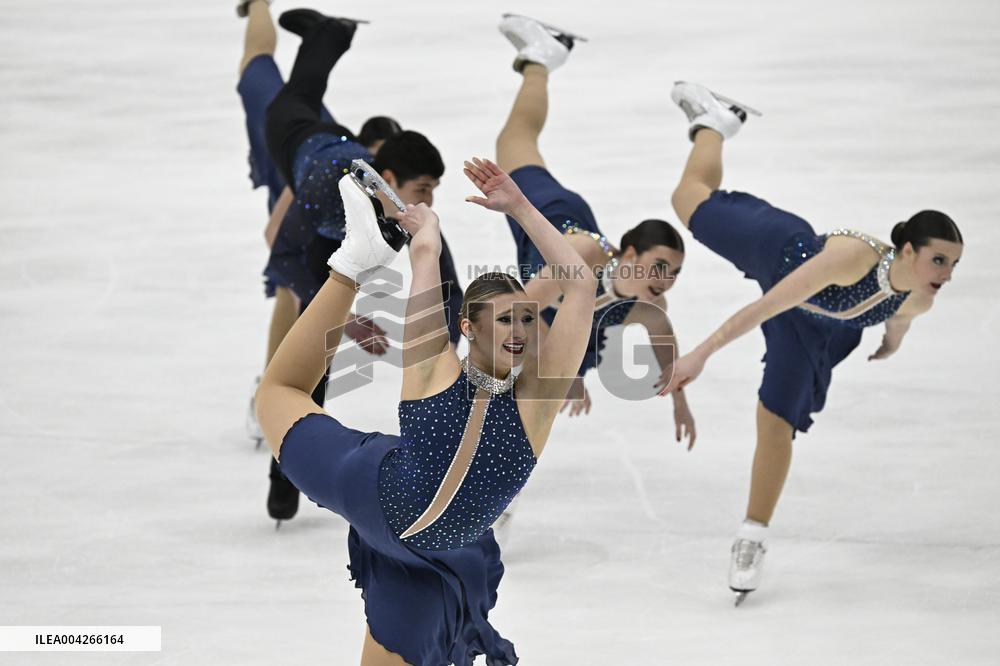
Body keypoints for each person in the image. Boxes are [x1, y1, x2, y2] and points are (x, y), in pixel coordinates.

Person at [256, 158, 597, 664]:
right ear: (468, 327)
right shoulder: (433, 367)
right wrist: (427, 235)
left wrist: (520, 206)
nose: (521, 330)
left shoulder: (536, 402)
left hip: (435, 559)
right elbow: (425, 258)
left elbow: (582, 284)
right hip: (370, 488)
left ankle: (354, 261)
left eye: (527, 318)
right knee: (278, 392)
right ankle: (351, 265)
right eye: (505, 319)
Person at [659, 80, 964, 603]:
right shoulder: (852, 258)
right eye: (939, 260)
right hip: (781, 258)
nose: (947, 273)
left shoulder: (920, 298)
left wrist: (890, 344)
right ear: (909, 249)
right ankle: (715, 122)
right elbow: (764, 307)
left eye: (954, 265)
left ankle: (751, 538)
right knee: (687, 202)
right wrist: (700, 354)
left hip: (824, 330)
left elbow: (899, 320)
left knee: (775, 420)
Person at [245, 6, 467, 523]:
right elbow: (285, 259)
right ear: (392, 175)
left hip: (351, 170)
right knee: (292, 102)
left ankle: (327, 38)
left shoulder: (408, 207)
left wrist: (448, 340)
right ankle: (328, 34)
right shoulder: (325, 184)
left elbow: (445, 272)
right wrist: (344, 317)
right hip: (306, 156)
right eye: (423, 188)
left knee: (307, 98)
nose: (429, 200)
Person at [494, 15, 696, 444]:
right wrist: (562, 368)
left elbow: (662, 335)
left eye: (673, 272)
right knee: (515, 140)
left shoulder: (645, 302)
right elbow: (523, 309)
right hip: (550, 215)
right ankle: (542, 59)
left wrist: (678, 398)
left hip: (554, 274)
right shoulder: (583, 260)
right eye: (659, 265)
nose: (665, 280)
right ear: (628, 255)